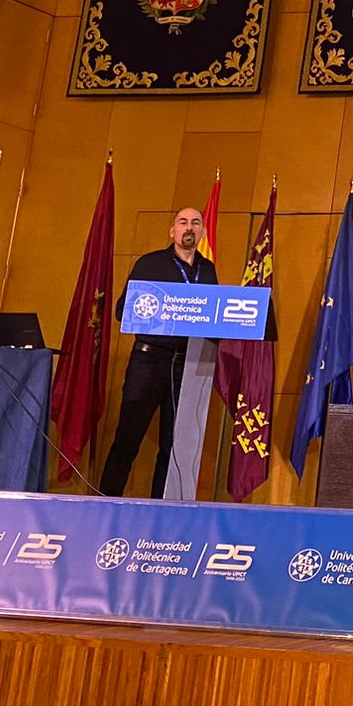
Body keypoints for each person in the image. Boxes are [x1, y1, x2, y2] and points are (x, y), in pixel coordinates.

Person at [98, 207, 218, 497]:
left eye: (195, 223)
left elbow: (213, 314)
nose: (189, 228)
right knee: (128, 438)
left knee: (173, 444)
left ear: (202, 231)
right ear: (172, 230)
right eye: (182, 222)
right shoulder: (150, 264)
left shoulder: (208, 270)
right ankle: (104, 500)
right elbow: (121, 310)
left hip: (187, 367)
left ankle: (161, 508)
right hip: (149, 361)